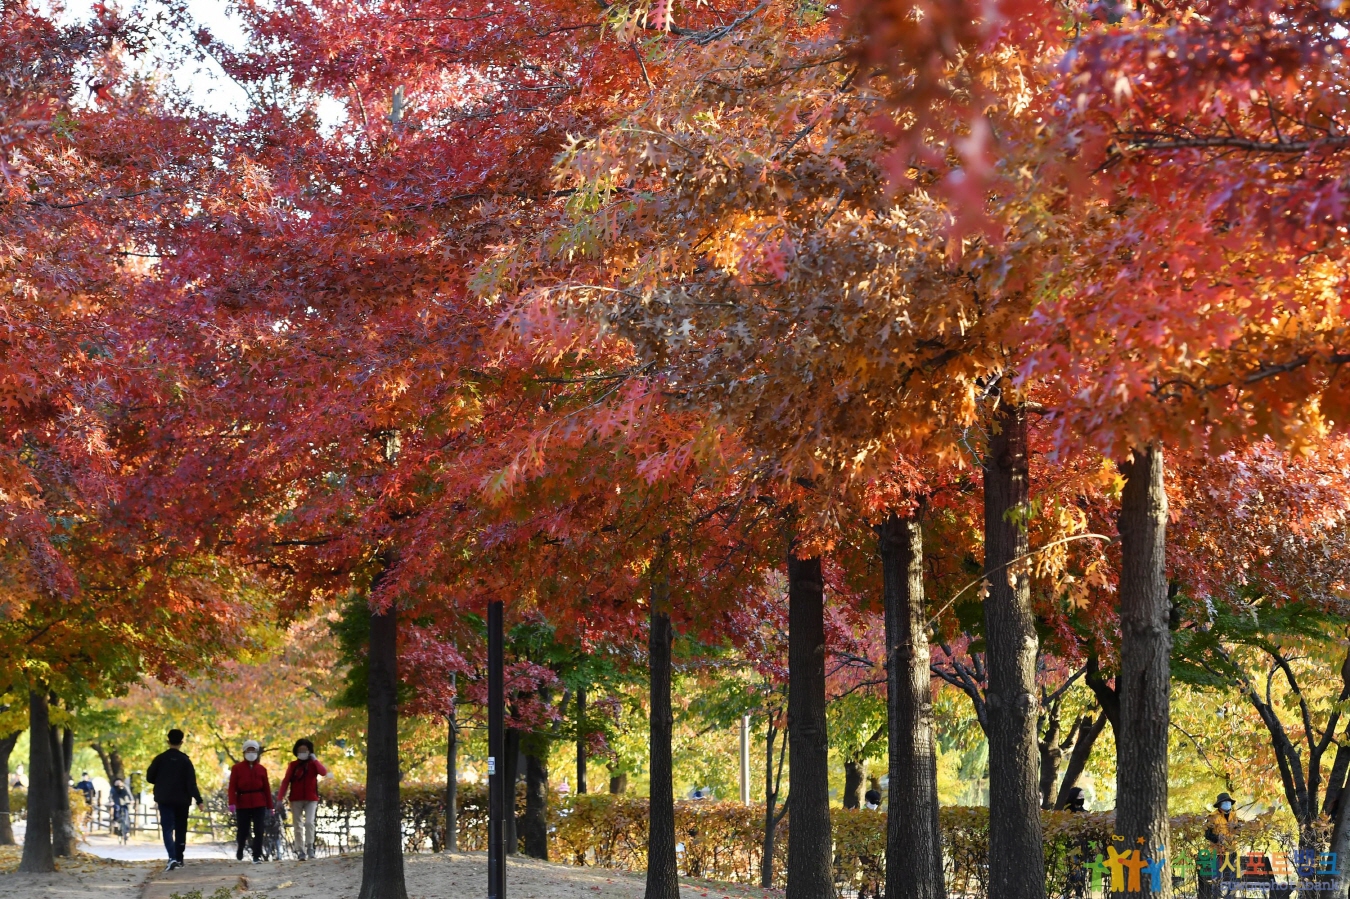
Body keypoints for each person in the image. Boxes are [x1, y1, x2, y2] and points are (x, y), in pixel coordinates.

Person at [146, 728, 203, 871]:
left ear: (168, 741)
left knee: (167, 828)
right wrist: (199, 800)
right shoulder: (185, 760)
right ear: (182, 742)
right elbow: (191, 783)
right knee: (180, 828)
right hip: (182, 800)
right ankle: (179, 858)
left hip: (164, 798)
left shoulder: (160, 759)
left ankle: (171, 857)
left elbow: (149, 777)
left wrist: (162, 781)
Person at [275, 738, 327, 861]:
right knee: (297, 825)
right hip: (296, 799)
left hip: (311, 798)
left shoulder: (313, 765)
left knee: (309, 822)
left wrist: (315, 759)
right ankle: (300, 850)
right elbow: (286, 781)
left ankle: (310, 847)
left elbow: (323, 772)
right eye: (300, 750)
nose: (302, 752)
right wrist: (279, 799)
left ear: (309, 751)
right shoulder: (293, 765)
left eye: (305, 750)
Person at [228, 739, 272, 864]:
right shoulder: (237, 768)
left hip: (259, 803)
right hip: (243, 802)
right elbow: (232, 787)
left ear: (257, 752)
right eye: (249, 750)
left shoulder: (262, 769)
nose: (251, 753)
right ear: (244, 752)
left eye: (253, 750)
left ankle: (256, 855)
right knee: (243, 829)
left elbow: (266, 788)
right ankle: (240, 847)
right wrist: (232, 802)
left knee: (259, 829)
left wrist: (270, 806)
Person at [1201, 792, 1239, 899]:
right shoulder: (1212, 817)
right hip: (1216, 852)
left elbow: (1238, 832)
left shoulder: (1234, 816)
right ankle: (1216, 897)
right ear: (1219, 805)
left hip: (1231, 851)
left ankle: (1229, 897)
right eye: (1224, 802)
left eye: (1228, 802)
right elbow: (1207, 834)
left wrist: (1238, 830)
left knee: (1232, 877)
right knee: (1216, 877)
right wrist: (1217, 838)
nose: (1227, 804)